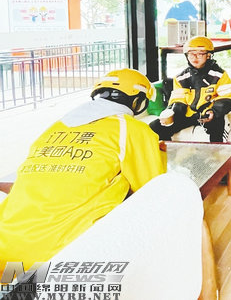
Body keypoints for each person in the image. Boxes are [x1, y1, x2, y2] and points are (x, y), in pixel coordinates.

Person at [0, 68, 166, 270]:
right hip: (61, 253)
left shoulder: (55, 127)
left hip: (6, 246)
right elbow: (152, 191)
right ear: (137, 102)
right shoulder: (132, 129)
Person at [150, 36, 231, 142]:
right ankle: (170, 150)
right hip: (188, 114)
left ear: (208, 55)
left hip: (208, 114)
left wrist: (213, 111)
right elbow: (178, 100)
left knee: (216, 126)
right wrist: (173, 113)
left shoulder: (219, 75)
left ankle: (217, 151)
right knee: (155, 127)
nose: (195, 57)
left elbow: (228, 98)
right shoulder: (180, 77)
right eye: (191, 53)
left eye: (200, 54)